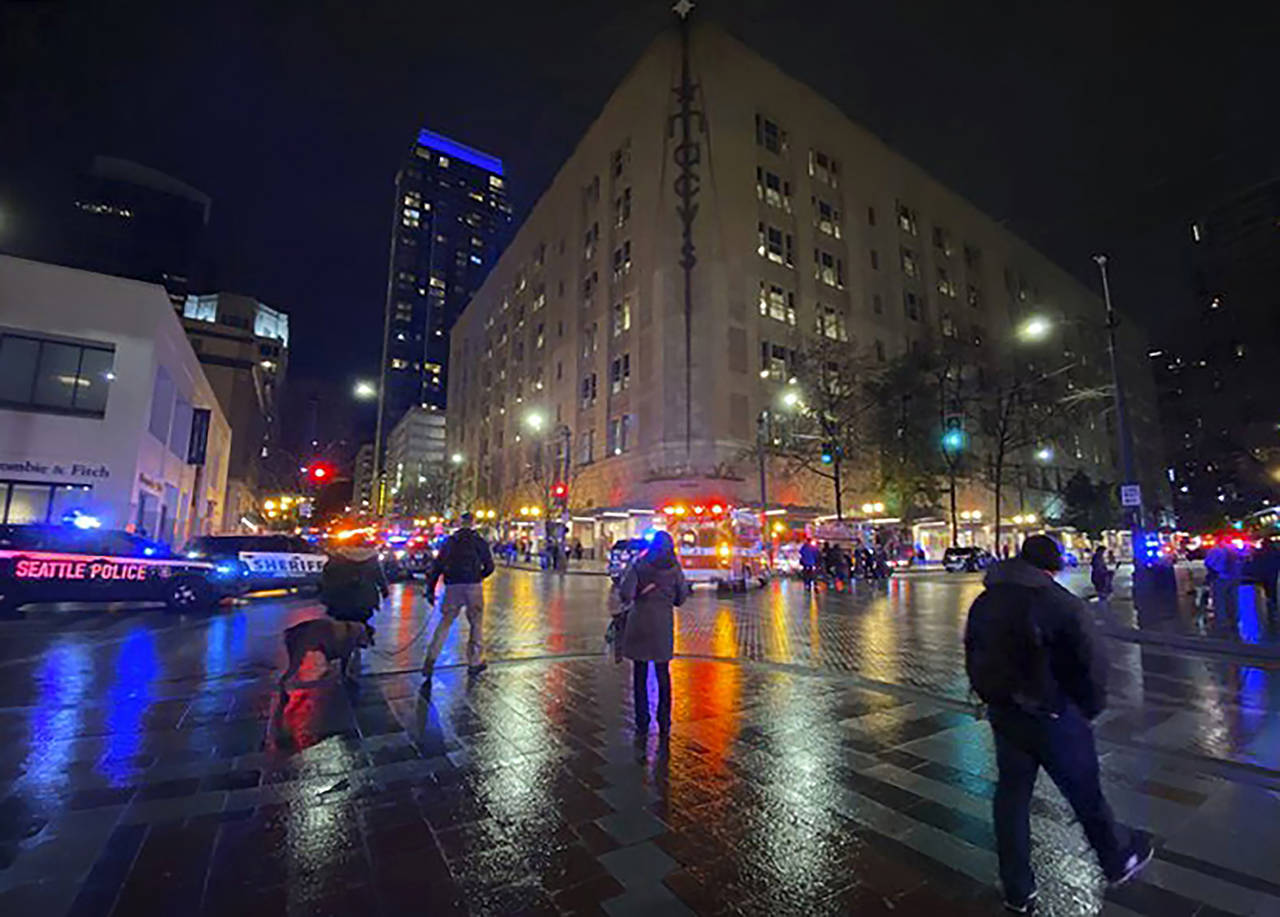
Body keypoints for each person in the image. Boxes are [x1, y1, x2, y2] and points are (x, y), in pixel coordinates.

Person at [964, 535, 1152, 913]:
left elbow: (972, 650)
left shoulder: (985, 601)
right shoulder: (1059, 603)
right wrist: (1088, 706)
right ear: (1052, 568)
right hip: (1054, 713)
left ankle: (1017, 888)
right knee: (1085, 793)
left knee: (1011, 799)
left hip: (1005, 714)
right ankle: (1116, 859)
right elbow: (1092, 662)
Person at [619, 531, 690, 736]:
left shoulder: (639, 564)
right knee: (663, 674)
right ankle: (664, 720)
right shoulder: (675, 569)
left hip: (640, 623)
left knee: (639, 675)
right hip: (662, 626)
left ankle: (642, 720)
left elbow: (626, 593)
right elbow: (681, 598)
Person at [422, 513, 495, 678]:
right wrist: (479, 575)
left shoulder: (450, 542)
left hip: (453, 586)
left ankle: (431, 658)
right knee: (476, 624)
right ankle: (474, 661)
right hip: (473, 586)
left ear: (460, 523)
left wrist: (430, 590)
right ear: (473, 523)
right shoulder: (479, 541)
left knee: (445, 623)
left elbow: (437, 566)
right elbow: (490, 566)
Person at [321, 533, 389, 624]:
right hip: (365, 598)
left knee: (341, 626)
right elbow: (380, 578)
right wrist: (384, 591)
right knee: (362, 624)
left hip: (341, 598)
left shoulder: (338, 557)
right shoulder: (371, 559)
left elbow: (327, 576)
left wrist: (326, 595)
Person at [1204, 540, 1243, 636]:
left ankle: (1222, 620)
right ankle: (1234, 618)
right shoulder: (1235, 550)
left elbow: (1208, 563)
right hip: (1234, 578)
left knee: (1220, 600)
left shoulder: (1216, 551)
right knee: (1233, 598)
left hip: (1221, 578)